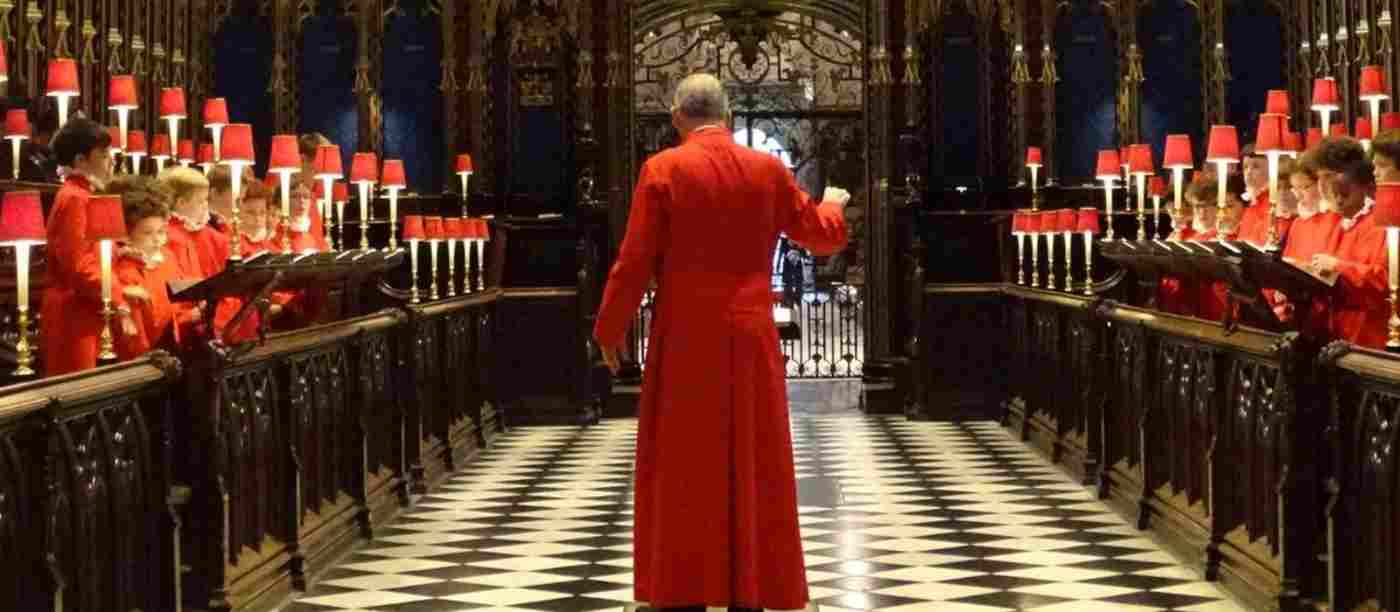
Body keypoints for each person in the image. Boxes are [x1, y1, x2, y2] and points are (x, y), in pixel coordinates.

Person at [592, 73, 848, 612]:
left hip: (685, 337)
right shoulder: (767, 169)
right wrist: (835, 205)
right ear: (727, 114)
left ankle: (683, 588)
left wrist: (610, 329)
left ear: (676, 115)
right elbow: (818, 234)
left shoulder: (662, 169)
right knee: (755, 463)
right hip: (752, 338)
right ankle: (750, 589)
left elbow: (634, 261)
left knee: (683, 466)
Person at [40, 117, 122, 376]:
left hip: (86, 308)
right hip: (74, 315)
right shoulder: (74, 198)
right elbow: (78, 265)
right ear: (80, 160)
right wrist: (118, 298)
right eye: (103, 154)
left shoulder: (84, 194)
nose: (112, 160)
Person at [1308, 137, 1388, 347]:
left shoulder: (1380, 222)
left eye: (1328, 177)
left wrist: (1337, 266)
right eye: (1320, 178)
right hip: (1338, 335)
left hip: (1368, 338)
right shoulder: (1341, 223)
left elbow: (1383, 282)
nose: (1323, 186)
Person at [107, 176, 181, 361]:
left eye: (161, 231)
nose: (157, 239)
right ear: (128, 234)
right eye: (148, 233)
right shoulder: (125, 268)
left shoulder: (167, 258)